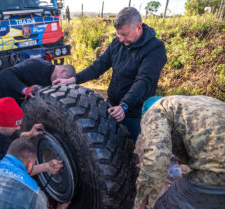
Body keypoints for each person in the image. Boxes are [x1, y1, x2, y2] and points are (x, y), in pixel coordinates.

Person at [53, 7, 167, 142]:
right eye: (118, 34)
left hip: (133, 112)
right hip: (112, 105)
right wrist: (73, 79)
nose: (120, 39)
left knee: (127, 149)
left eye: (125, 34)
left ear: (138, 27)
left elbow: (144, 81)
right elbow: (98, 66)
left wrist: (124, 105)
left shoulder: (155, 48)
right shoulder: (117, 44)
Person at [129, 95, 225, 209]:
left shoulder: (155, 111)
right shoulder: (194, 104)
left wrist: (140, 204)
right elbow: (212, 138)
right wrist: (183, 159)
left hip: (217, 175)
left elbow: (155, 162)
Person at [0, 58, 76, 112]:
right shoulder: (38, 65)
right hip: (2, 86)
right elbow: (6, 74)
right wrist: (24, 90)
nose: (62, 83)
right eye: (65, 80)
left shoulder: (50, 80)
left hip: (15, 95)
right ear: (63, 71)